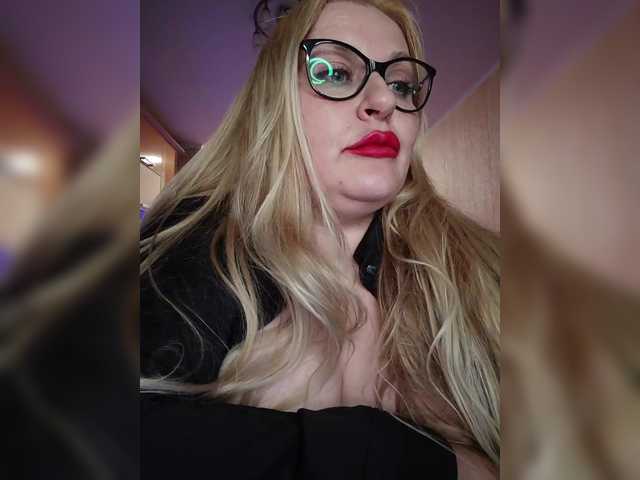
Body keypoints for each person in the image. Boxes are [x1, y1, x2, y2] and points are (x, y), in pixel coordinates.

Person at [140, 1, 499, 478]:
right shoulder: (198, 241)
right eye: (334, 72)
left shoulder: (488, 269)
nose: (384, 101)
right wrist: (402, 458)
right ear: (274, 104)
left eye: (401, 84)